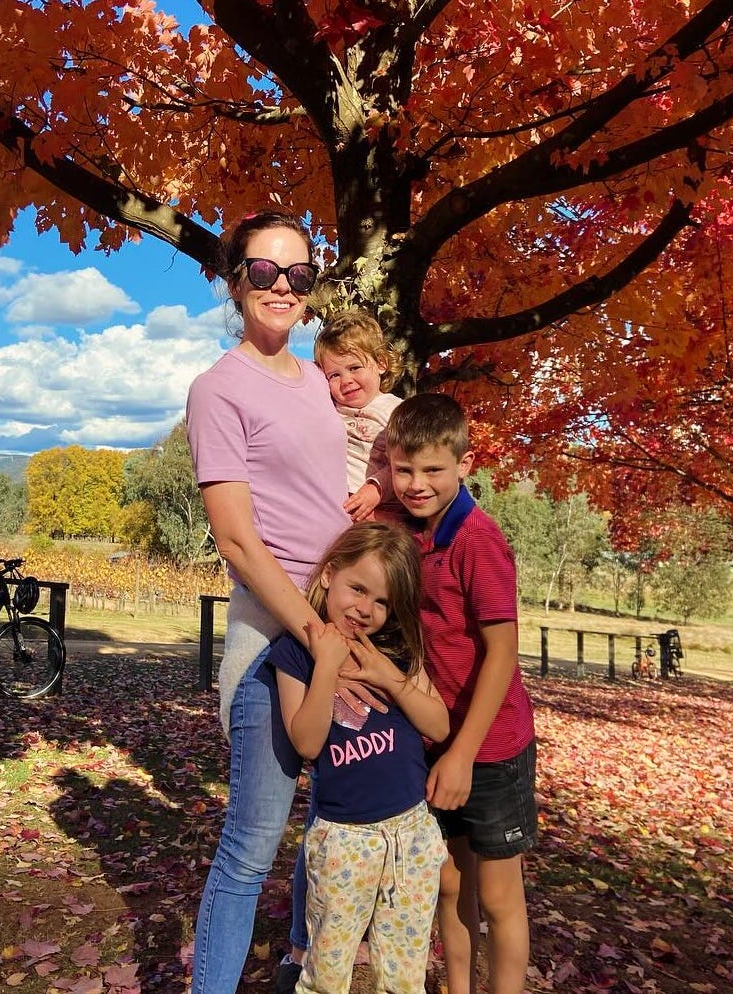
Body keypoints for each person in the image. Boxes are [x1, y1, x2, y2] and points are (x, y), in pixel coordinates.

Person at [186, 210, 356, 994]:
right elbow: (237, 540)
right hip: (275, 635)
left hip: (339, 628)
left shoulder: (320, 382)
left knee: (332, 823)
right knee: (251, 847)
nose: (281, 286)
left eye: (297, 274)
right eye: (263, 271)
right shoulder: (218, 390)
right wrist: (314, 631)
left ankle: (296, 964)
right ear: (234, 282)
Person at [383, 394, 538, 994]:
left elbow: (502, 652)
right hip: (431, 735)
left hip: (490, 745)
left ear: (464, 465)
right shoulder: (400, 530)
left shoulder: (478, 540)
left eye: (432, 470)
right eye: (403, 469)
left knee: (497, 896)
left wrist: (463, 755)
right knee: (448, 885)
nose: (416, 484)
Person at [268, 522, 449, 994]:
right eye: (358, 589)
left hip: (411, 834)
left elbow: (438, 725)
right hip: (344, 841)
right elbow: (307, 743)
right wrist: (327, 665)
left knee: (405, 975)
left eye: (383, 601)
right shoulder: (296, 652)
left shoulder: (398, 649)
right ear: (329, 574)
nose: (367, 609)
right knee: (326, 973)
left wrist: (391, 678)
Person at [314, 310, 406, 523]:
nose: (346, 380)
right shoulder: (330, 409)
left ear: (381, 364)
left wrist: (376, 489)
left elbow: (409, 461)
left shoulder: (396, 411)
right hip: (338, 507)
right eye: (334, 375)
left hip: (385, 504)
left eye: (354, 368)